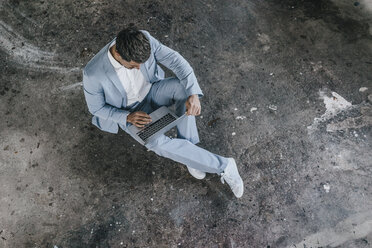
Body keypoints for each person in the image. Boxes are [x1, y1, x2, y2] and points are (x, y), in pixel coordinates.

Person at [83, 26, 244, 198]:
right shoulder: (93, 74)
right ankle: (225, 166)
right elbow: (96, 108)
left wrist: (193, 94)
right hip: (130, 111)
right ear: (119, 55)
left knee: (183, 89)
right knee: (157, 143)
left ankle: (190, 155)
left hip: (153, 90)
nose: (138, 68)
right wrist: (127, 117)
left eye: (141, 64)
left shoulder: (143, 38)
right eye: (133, 66)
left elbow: (175, 60)